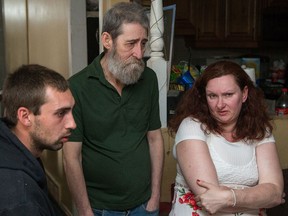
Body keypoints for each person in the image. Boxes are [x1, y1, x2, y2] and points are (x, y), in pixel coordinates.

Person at [63, 2, 164, 216]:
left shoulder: (149, 79)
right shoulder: (77, 87)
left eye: (143, 43)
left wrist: (155, 197)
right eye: (131, 43)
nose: (139, 53)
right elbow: (72, 157)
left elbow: (154, 139)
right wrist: (84, 210)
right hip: (100, 209)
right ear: (107, 40)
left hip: (144, 206)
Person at [168, 61, 284, 216]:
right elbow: (209, 200)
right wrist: (259, 198)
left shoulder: (260, 130)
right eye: (212, 96)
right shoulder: (191, 126)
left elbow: (275, 194)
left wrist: (229, 197)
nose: (220, 104)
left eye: (228, 95)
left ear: (244, 94)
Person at [0, 64, 76, 215]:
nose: (72, 124)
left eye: (72, 111)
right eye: (61, 113)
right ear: (25, 116)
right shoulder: (21, 201)